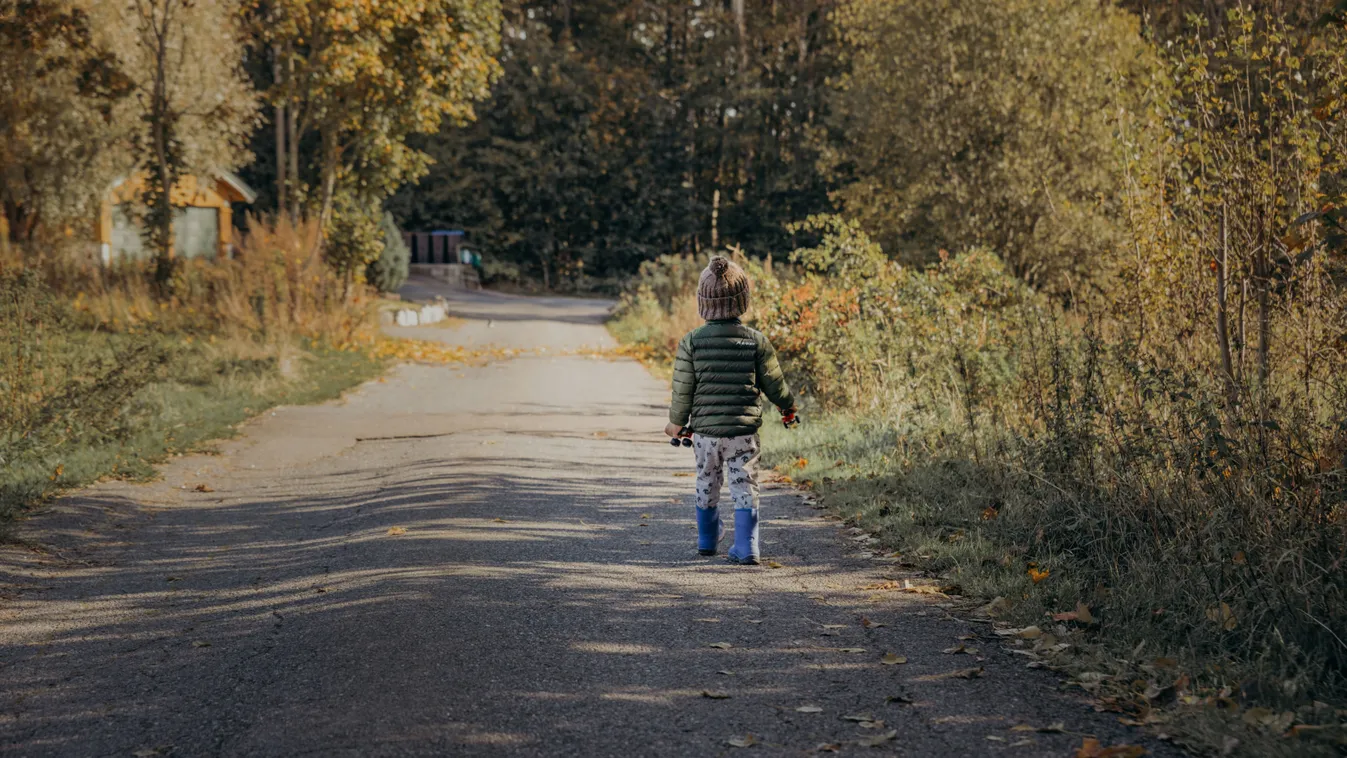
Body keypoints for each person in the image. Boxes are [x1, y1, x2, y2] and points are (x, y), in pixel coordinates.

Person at [664, 257, 797, 565]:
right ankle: (747, 547)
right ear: (742, 300)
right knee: (744, 484)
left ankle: (707, 541)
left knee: (706, 482)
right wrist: (787, 406)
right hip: (743, 434)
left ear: (703, 302)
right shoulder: (756, 341)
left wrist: (676, 423)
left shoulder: (691, 342)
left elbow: (683, 390)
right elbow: (774, 384)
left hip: (706, 435)